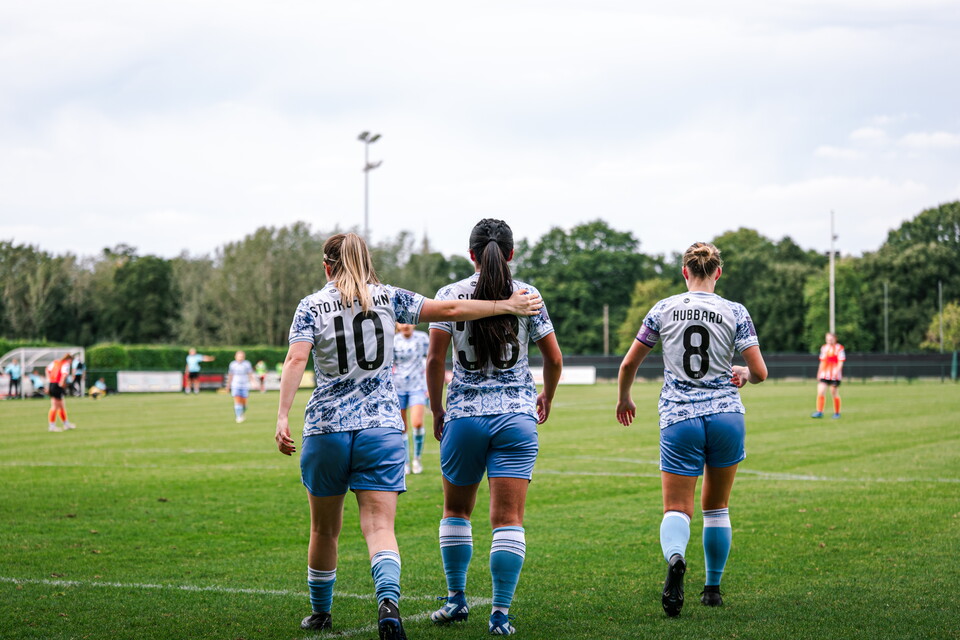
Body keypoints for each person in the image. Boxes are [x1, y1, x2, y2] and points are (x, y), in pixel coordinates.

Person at [274, 232, 542, 639]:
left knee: (324, 530)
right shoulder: (390, 297)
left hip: (326, 427)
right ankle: (388, 601)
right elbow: (450, 308)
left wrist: (281, 416)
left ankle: (320, 613)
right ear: (367, 261)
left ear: (326, 267)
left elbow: (296, 358)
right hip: (381, 428)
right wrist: (506, 304)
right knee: (380, 527)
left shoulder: (311, 305)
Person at [615, 241, 767, 618]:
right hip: (726, 416)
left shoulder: (663, 308)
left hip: (679, 417)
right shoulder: (735, 311)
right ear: (718, 272)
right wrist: (745, 373)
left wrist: (625, 398)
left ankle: (677, 557)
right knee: (716, 508)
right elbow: (759, 372)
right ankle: (712, 589)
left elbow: (628, 365)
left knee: (677, 509)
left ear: (685, 272)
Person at [426, 219, 562, 636]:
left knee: (455, 512)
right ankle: (500, 615)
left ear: (471, 254)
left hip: (465, 417)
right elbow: (554, 360)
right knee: (508, 520)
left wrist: (436, 410)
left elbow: (433, 362)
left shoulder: (449, 296)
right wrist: (547, 397)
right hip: (515, 418)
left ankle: (455, 601)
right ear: (511, 254)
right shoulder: (526, 296)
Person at [393, 323, 430, 474]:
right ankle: (406, 462)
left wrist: (429, 385)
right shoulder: (393, 340)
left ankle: (416, 459)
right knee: (402, 427)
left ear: (414, 323)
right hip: (398, 387)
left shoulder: (422, 338)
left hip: (417, 387)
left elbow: (430, 361)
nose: (405, 325)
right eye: (402, 322)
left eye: (408, 322)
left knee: (418, 423)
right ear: (397, 324)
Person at [811, 332, 845, 419]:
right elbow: (822, 361)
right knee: (821, 391)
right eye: (828, 339)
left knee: (834, 392)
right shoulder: (824, 348)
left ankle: (837, 413)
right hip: (824, 374)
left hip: (835, 375)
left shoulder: (840, 348)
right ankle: (819, 411)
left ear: (835, 338)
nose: (829, 340)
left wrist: (836, 371)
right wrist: (819, 372)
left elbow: (841, 362)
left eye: (831, 338)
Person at [45, 353, 77, 432]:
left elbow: (47, 370)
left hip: (52, 383)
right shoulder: (65, 364)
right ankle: (52, 426)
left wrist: (49, 380)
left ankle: (66, 424)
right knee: (55, 406)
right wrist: (62, 382)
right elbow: (64, 374)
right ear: (69, 360)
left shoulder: (55, 362)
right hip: (57, 385)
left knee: (61, 406)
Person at [227, 351, 256, 423]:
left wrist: (253, 382)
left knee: (244, 404)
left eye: (242, 356)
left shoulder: (247, 364)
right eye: (239, 356)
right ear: (235, 356)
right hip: (235, 385)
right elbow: (230, 375)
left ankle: (241, 413)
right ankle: (238, 416)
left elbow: (250, 374)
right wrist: (228, 385)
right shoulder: (232, 364)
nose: (240, 358)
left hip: (245, 385)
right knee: (237, 401)